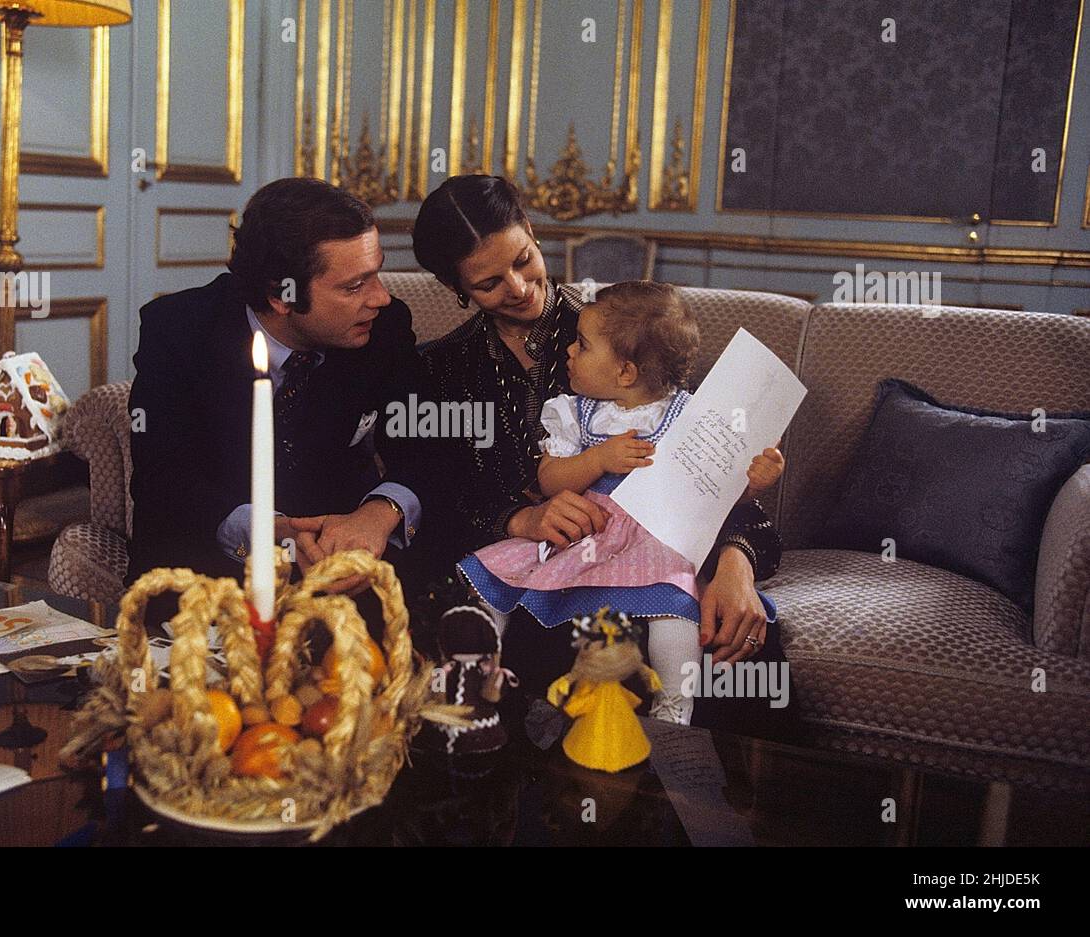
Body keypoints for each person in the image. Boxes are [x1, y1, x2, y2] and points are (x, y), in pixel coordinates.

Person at [413, 174, 798, 740]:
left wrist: (736, 562)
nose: (520, 288)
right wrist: (520, 518)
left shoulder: (625, 329)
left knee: (742, 652)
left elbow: (709, 474)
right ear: (457, 288)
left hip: (656, 553)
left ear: (534, 234)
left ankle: (702, 808)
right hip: (546, 566)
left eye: (524, 259)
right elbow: (438, 501)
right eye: (490, 282)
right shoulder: (442, 373)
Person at [457, 281, 785, 724]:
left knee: (675, 606)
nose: (569, 353)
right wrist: (596, 459)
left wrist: (754, 482)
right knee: (502, 575)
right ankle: (477, 670)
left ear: (625, 372)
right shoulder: (575, 412)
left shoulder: (689, 416)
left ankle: (674, 706)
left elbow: (718, 490)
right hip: (588, 530)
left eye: (582, 345)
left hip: (655, 537)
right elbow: (550, 479)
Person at [127, 178, 450, 620]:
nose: (381, 297)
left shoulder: (384, 326)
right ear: (282, 296)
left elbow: (429, 443)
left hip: (344, 572)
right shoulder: (178, 331)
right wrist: (265, 533)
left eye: (376, 271)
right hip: (212, 579)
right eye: (355, 285)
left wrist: (381, 511)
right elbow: (163, 478)